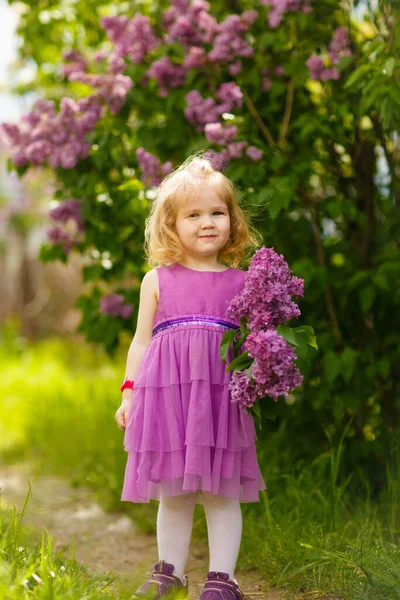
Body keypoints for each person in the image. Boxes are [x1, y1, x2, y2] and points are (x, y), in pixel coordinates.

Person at [115, 152, 267, 600]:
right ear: (171, 225)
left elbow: (258, 344)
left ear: (232, 221)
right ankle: (170, 572)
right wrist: (129, 394)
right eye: (194, 214)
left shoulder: (242, 282)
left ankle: (223, 579)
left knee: (221, 493)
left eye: (217, 212)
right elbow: (141, 342)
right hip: (168, 401)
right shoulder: (157, 279)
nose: (207, 222)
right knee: (175, 493)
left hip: (221, 401)